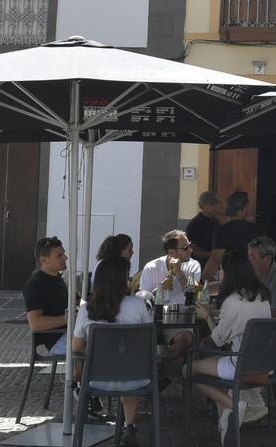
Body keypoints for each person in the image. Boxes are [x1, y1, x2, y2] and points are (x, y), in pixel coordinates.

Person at [70, 256, 152, 447]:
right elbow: (147, 342)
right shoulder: (139, 306)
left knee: (120, 364)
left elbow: (75, 347)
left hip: (96, 379)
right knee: (128, 365)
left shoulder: (87, 310)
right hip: (135, 378)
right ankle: (130, 426)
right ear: (122, 281)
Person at [192, 255, 272, 440]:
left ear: (229, 273)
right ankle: (225, 426)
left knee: (191, 369)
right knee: (209, 368)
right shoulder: (263, 297)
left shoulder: (232, 301)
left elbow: (218, 341)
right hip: (262, 364)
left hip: (240, 363)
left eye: (221, 270)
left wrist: (207, 317)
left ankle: (233, 405)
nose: (219, 273)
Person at [138, 229, 201, 359]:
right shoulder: (151, 267)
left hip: (179, 321)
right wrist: (160, 289)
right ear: (172, 253)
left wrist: (178, 273)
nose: (190, 250)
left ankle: (163, 368)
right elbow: (143, 300)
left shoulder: (193, 265)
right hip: (153, 320)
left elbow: (192, 294)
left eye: (190, 245)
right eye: (185, 247)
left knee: (185, 340)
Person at [202, 191, 265, 284]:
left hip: (231, 282)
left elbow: (215, 260)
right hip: (253, 281)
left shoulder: (221, 231)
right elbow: (263, 259)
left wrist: (207, 277)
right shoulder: (257, 230)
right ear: (243, 210)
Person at [22, 236, 70, 356]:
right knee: (93, 345)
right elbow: (35, 323)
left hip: (69, 331)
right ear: (43, 260)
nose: (65, 257)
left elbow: (78, 301)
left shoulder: (59, 278)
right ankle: (80, 373)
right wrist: (68, 318)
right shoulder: (35, 284)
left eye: (63, 253)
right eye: (59, 255)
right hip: (57, 339)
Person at [247, 235, 276, 318]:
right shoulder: (249, 274)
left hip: (271, 328)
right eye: (248, 256)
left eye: (253, 257)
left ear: (267, 258)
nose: (249, 260)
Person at [186, 191, 221, 264]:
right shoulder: (195, 224)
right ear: (203, 205)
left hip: (214, 264)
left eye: (216, 204)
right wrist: (213, 254)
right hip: (199, 265)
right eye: (212, 204)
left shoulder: (216, 222)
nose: (215, 207)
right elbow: (193, 249)